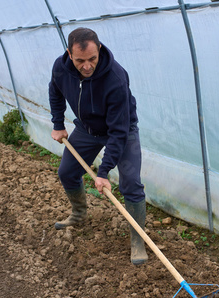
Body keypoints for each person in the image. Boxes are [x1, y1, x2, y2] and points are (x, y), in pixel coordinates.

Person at [48, 27, 148, 265]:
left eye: (92, 59)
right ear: (69, 54)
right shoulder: (61, 68)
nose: (86, 66)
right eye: (80, 60)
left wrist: (103, 172)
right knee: (67, 173)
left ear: (99, 49)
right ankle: (79, 214)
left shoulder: (115, 78)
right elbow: (55, 90)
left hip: (122, 130)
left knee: (131, 184)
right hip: (86, 129)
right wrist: (58, 123)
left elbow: (118, 131)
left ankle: (138, 240)